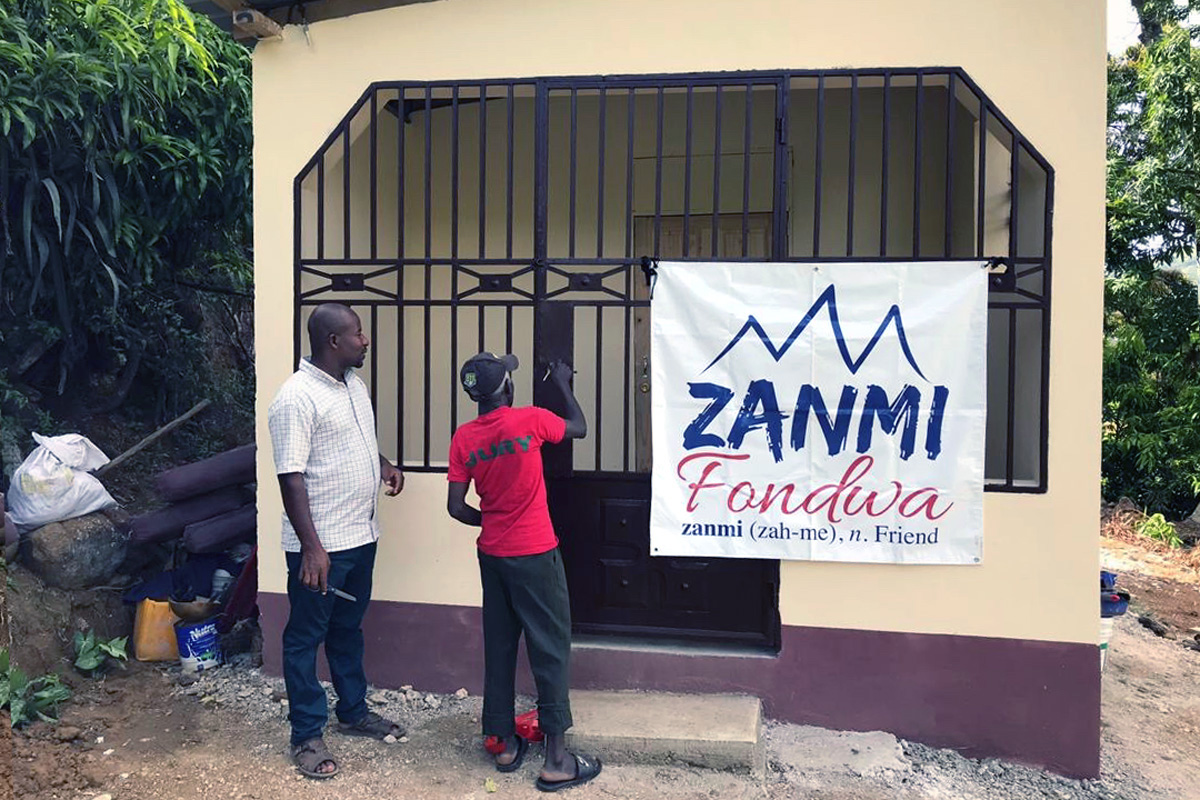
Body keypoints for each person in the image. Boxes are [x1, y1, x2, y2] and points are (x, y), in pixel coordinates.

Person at [447, 352, 602, 793]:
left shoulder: (463, 439)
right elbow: (579, 428)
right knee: (549, 648)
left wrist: (493, 519)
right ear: (506, 390)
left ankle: (503, 742)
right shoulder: (530, 421)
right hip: (535, 553)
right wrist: (564, 385)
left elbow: (456, 507)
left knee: (499, 644)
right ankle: (556, 760)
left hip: (492, 555)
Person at [268, 302, 406, 779]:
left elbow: (355, 440)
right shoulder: (296, 398)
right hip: (321, 548)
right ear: (333, 341)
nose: (365, 340)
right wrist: (311, 547)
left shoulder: (353, 385)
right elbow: (291, 477)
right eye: (358, 333)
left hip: (360, 536)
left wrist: (382, 463)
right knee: (306, 636)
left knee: (348, 629)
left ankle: (353, 712)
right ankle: (306, 734)